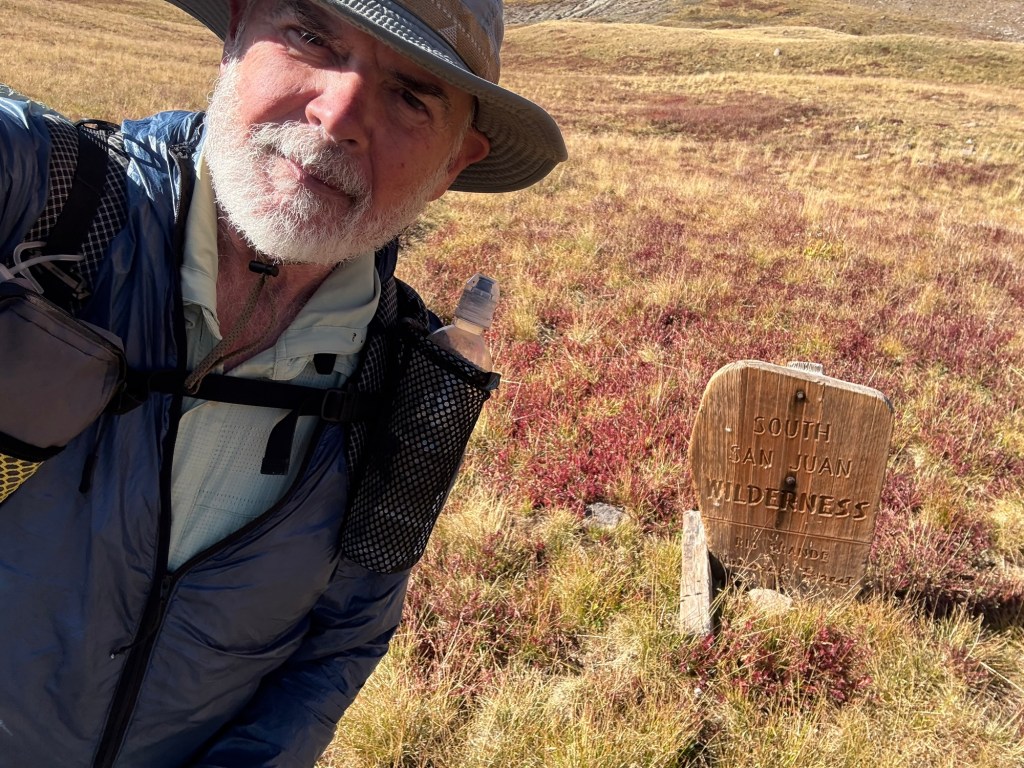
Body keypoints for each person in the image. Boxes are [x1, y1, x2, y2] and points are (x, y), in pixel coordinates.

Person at [0, 0, 565, 766]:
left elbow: (341, 640)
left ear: (453, 165)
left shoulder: (404, 383)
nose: (338, 116)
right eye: (311, 37)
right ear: (237, 30)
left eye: (410, 95)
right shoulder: (47, 209)